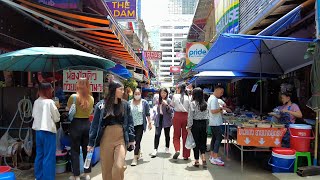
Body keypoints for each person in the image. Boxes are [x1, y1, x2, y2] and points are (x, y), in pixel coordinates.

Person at [88, 81, 135, 180]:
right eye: (120, 89)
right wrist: (91, 143)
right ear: (113, 90)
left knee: (119, 166)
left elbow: (130, 122)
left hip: (121, 139)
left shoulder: (125, 105)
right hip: (106, 139)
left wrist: (131, 139)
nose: (123, 91)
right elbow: (95, 124)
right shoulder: (101, 105)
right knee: (107, 169)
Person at [67, 78, 94, 180]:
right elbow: (90, 112)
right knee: (87, 150)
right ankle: (87, 174)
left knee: (75, 150)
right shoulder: (91, 98)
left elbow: (68, 109)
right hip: (87, 124)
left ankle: (76, 175)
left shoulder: (73, 97)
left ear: (78, 85)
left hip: (75, 124)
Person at [32, 83, 60, 180]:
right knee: (49, 157)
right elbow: (57, 118)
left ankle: (39, 177)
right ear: (47, 90)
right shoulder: (50, 102)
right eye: (51, 89)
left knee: (39, 155)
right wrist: (57, 107)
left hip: (38, 132)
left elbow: (34, 115)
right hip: (48, 132)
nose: (52, 90)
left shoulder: (36, 102)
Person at [129, 88, 152, 166]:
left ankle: (135, 158)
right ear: (133, 94)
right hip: (131, 125)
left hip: (140, 125)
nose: (137, 95)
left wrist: (150, 122)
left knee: (137, 140)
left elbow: (147, 113)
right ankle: (138, 151)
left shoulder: (144, 103)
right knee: (133, 140)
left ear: (141, 94)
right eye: (136, 93)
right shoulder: (130, 103)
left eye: (138, 93)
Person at [187, 88, 209, 167]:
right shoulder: (205, 104)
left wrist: (189, 126)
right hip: (204, 124)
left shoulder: (192, 103)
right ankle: (203, 157)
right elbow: (208, 116)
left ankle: (196, 160)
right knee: (203, 142)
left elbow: (190, 116)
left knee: (195, 142)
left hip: (195, 124)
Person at [151, 88, 174, 158]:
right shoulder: (158, 100)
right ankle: (155, 149)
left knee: (167, 134)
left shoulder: (169, 100)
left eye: (164, 93)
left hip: (166, 119)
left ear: (167, 93)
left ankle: (167, 147)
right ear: (160, 93)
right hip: (159, 119)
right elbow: (155, 109)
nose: (163, 94)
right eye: (162, 93)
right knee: (157, 134)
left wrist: (167, 105)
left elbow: (171, 111)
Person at [171, 83, 191, 160]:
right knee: (185, 136)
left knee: (176, 135)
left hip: (177, 116)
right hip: (186, 117)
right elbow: (190, 108)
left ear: (179, 89)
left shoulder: (175, 96)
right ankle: (186, 155)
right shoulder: (188, 97)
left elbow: (172, 105)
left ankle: (177, 149)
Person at [208, 85, 226, 166]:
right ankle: (214, 157)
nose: (222, 94)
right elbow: (213, 111)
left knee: (215, 138)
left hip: (213, 122)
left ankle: (212, 156)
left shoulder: (212, 98)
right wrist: (221, 109)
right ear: (217, 90)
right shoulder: (214, 99)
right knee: (218, 138)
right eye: (221, 92)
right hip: (215, 122)